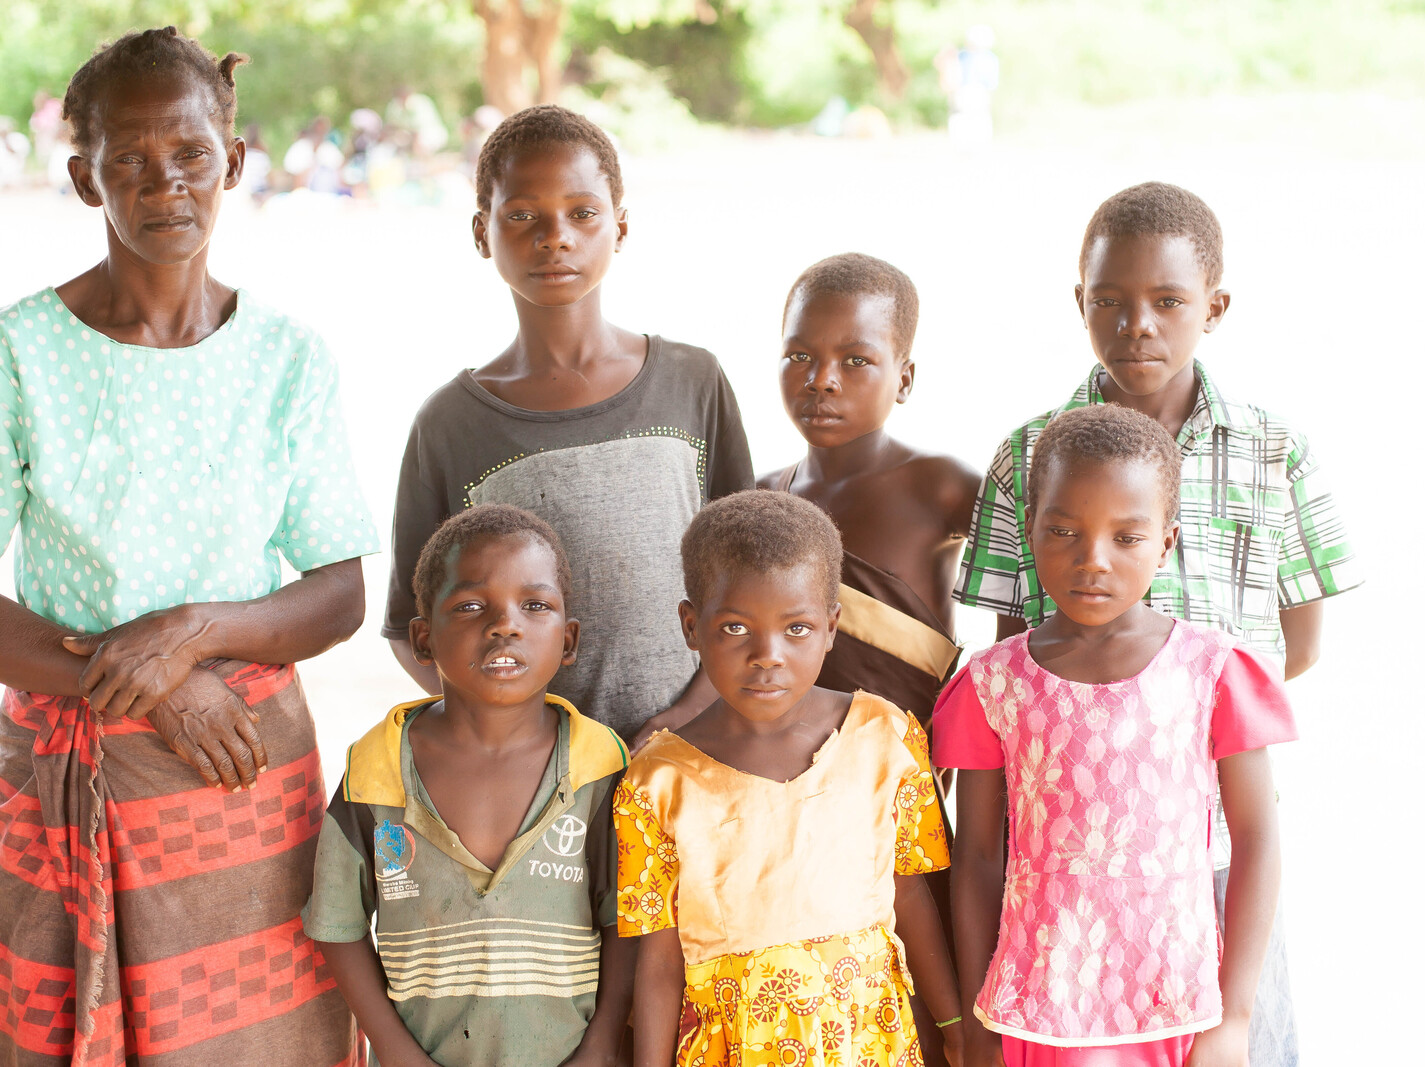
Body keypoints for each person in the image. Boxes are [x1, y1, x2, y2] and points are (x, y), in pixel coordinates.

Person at [0, 27, 378, 1066]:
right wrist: (163, 680)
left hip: (242, 781)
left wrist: (196, 631)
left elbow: (339, 587)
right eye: (130, 159)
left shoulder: (288, 358)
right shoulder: (22, 351)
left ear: (236, 163)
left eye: (192, 155)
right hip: (69, 775)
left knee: (264, 1039)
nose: (166, 182)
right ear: (86, 178)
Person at [954, 183, 1361, 1065]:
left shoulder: (1273, 449)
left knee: (1237, 1039)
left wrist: (1170, 724)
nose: (1138, 323)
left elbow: (1301, 643)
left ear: (1214, 308)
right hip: (1066, 865)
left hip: (1212, 845)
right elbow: (1012, 665)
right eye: (1111, 301)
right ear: (1080, 303)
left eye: (1168, 301)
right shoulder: (1025, 455)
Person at [935, 405, 1297, 1067]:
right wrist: (979, 1011)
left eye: (1125, 537)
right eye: (1064, 531)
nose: (1092, 560)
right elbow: (980, 857)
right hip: (1032, 1009)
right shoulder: (995, 684)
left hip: (1178, 1010)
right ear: (1030, 530)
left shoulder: (1211, 670)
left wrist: (1234, 1014)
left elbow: (1257, 836)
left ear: (1166, 541)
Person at [383, 105, 753, 748]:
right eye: (523, 215)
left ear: (621, 226)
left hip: (694, 757)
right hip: (540, 793)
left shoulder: (693, 383)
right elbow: (409, 631)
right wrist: (525, 740)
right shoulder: (451, 424)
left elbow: (750, 583)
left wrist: (686, 717)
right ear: (481, 232)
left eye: (583, 213)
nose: (556, 237)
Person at [618, 490, 965, 1067]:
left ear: (832, 627)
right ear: (690, 626)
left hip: (870, 1041)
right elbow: (658, 962)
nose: (767, 655)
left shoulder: (887, 738)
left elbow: (911, 895)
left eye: (797, 629)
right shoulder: (657, 783)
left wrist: (953, 1026)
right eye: (734, 628)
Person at [304, 505, 631, 1067]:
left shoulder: (598, 765)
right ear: (423, 639)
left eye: (535, 605)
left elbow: (625, 921)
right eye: (472, 606)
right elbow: (338, 924)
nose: (506, 624)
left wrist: (602, 1044)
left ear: (568, 639)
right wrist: (395, 1051)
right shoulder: (376, 767)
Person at [760, 253, 979, 727]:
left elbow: (1031, 576)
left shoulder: (942, 487)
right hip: (776, 775)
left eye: (856, 360)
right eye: (800, 357)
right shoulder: (761, 501)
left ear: (904, 379)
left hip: (904, 782)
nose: (821, 380)